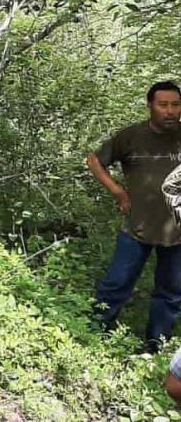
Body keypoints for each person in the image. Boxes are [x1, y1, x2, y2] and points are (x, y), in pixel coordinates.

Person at [90, 80, 181, 353]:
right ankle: (94, 337)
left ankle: (154, 348)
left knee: (170, 295)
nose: (169, 111)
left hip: (178, 233)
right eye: (163, 105)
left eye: (175, 105)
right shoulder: (132, 137)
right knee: (115, 285)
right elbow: (95, 161)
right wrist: (119, 193)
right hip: (137, 228)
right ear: (150, 106)